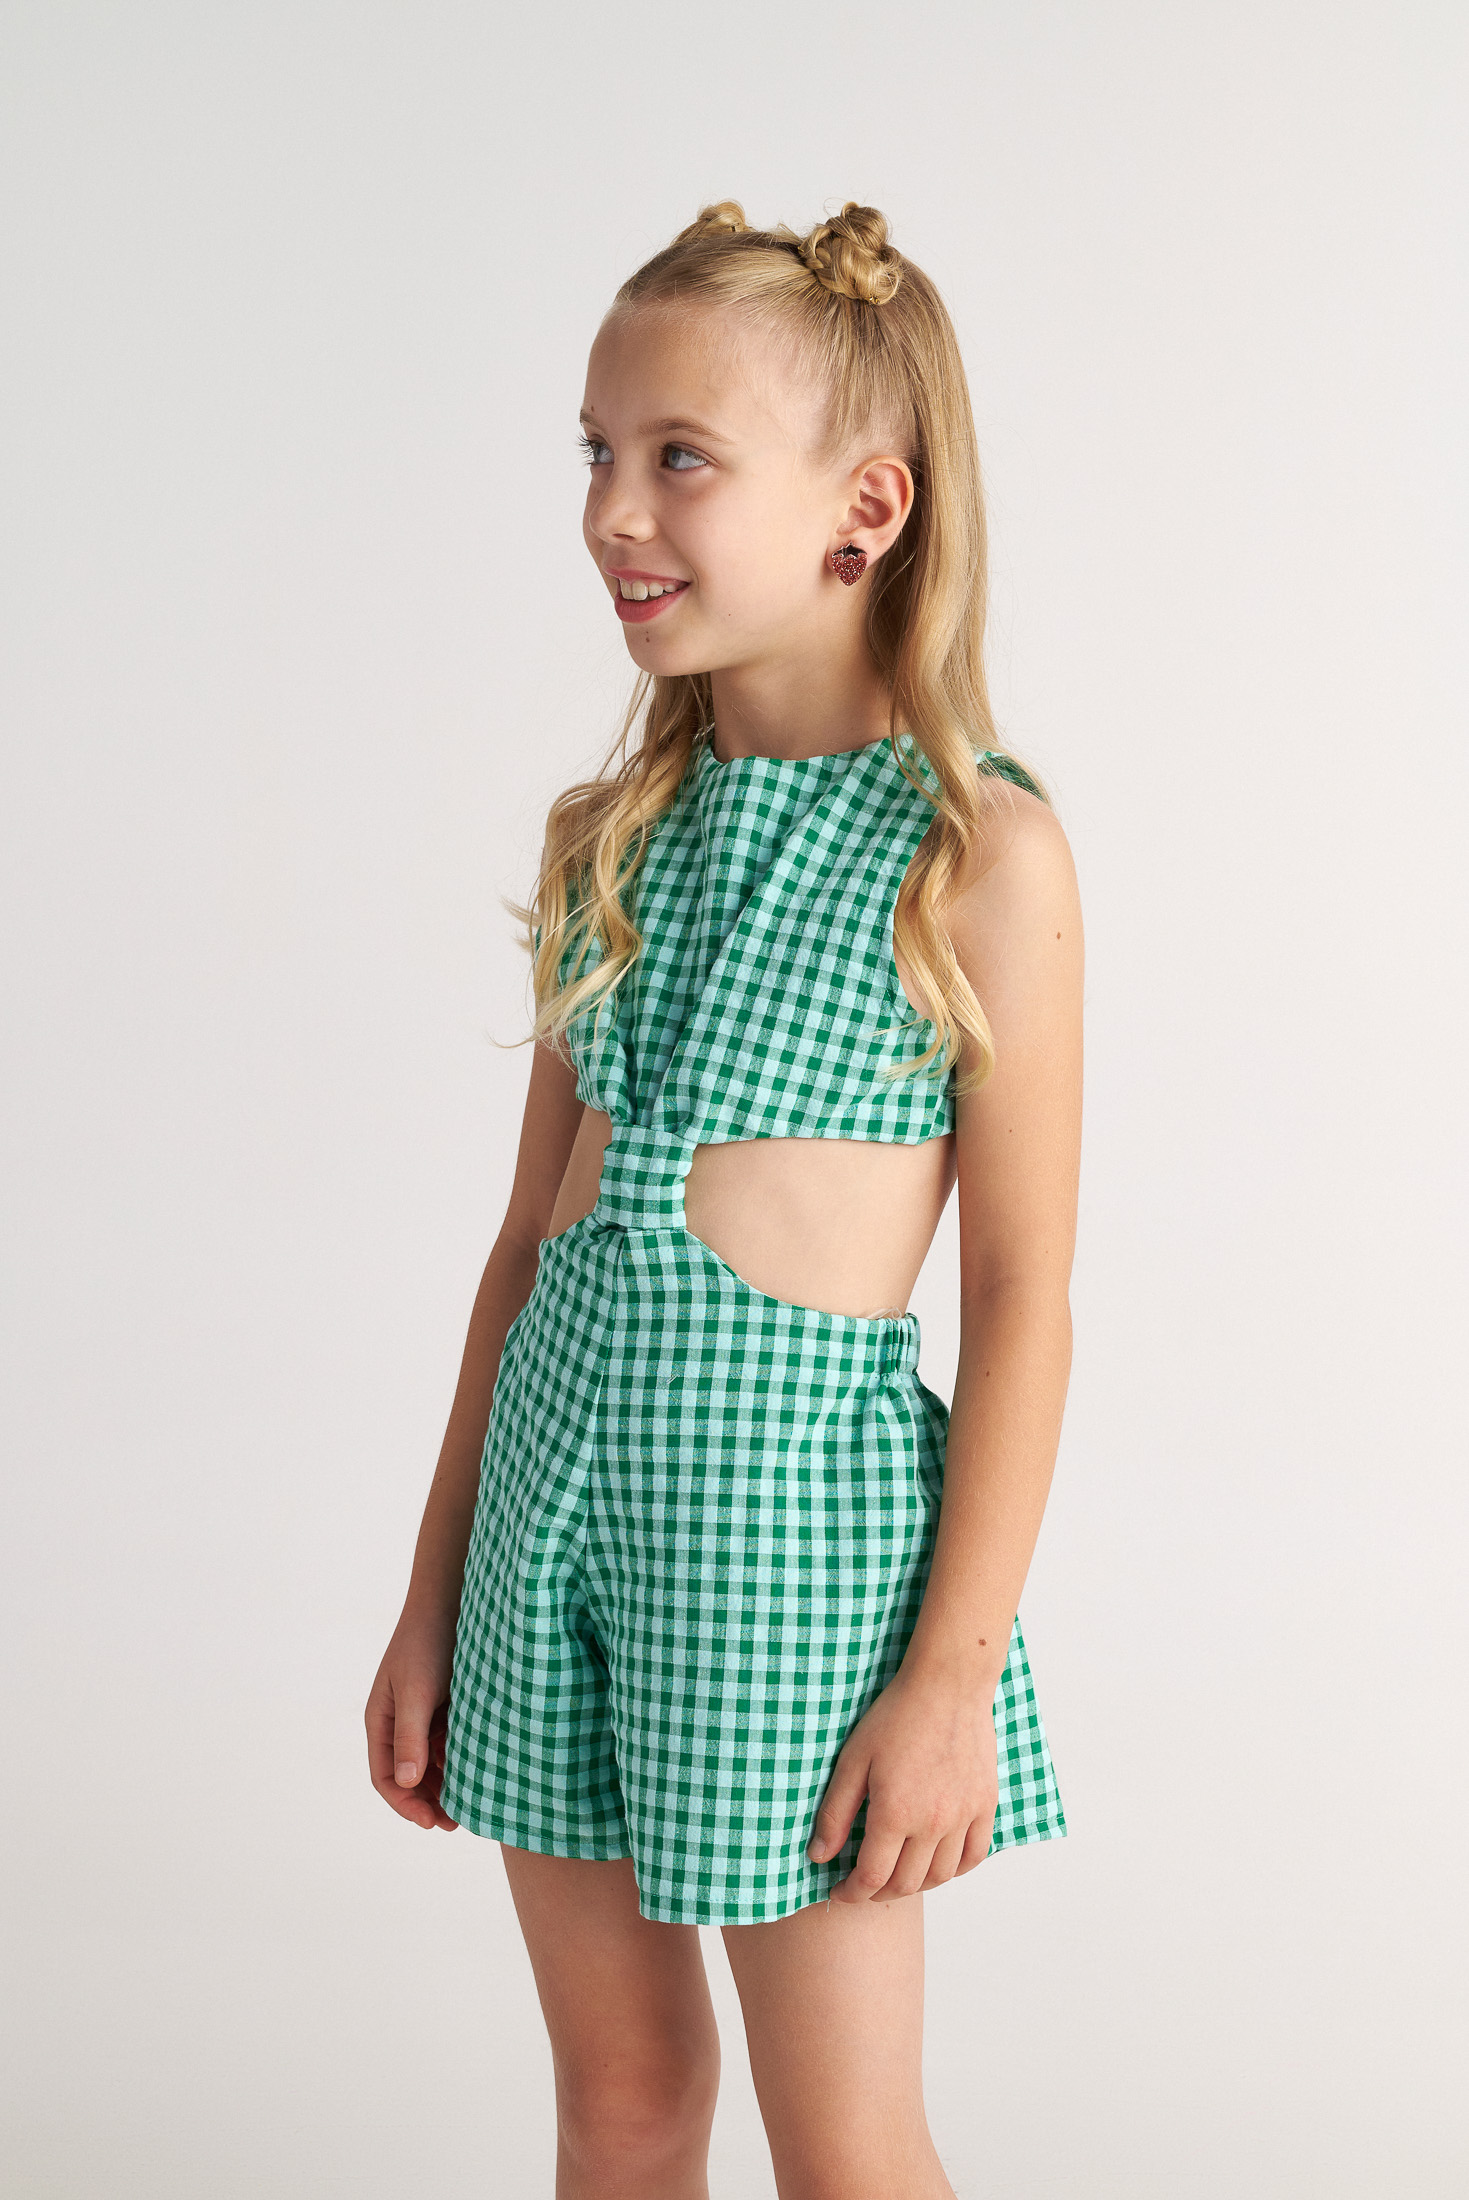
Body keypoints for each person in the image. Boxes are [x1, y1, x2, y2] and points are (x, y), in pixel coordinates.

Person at [366, 199, 1083, 2200]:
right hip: (547, 1532)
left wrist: (946, 1682)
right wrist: (434, 1590)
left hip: (789, 1565)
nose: (613, 510)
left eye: (679, 457)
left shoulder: (977, 857)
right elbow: (528, 1245)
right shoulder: (610, 838)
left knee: (843, 2145)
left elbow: (1023, 1294)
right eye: (596, 452)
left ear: (866, 509)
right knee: (619, 2104)